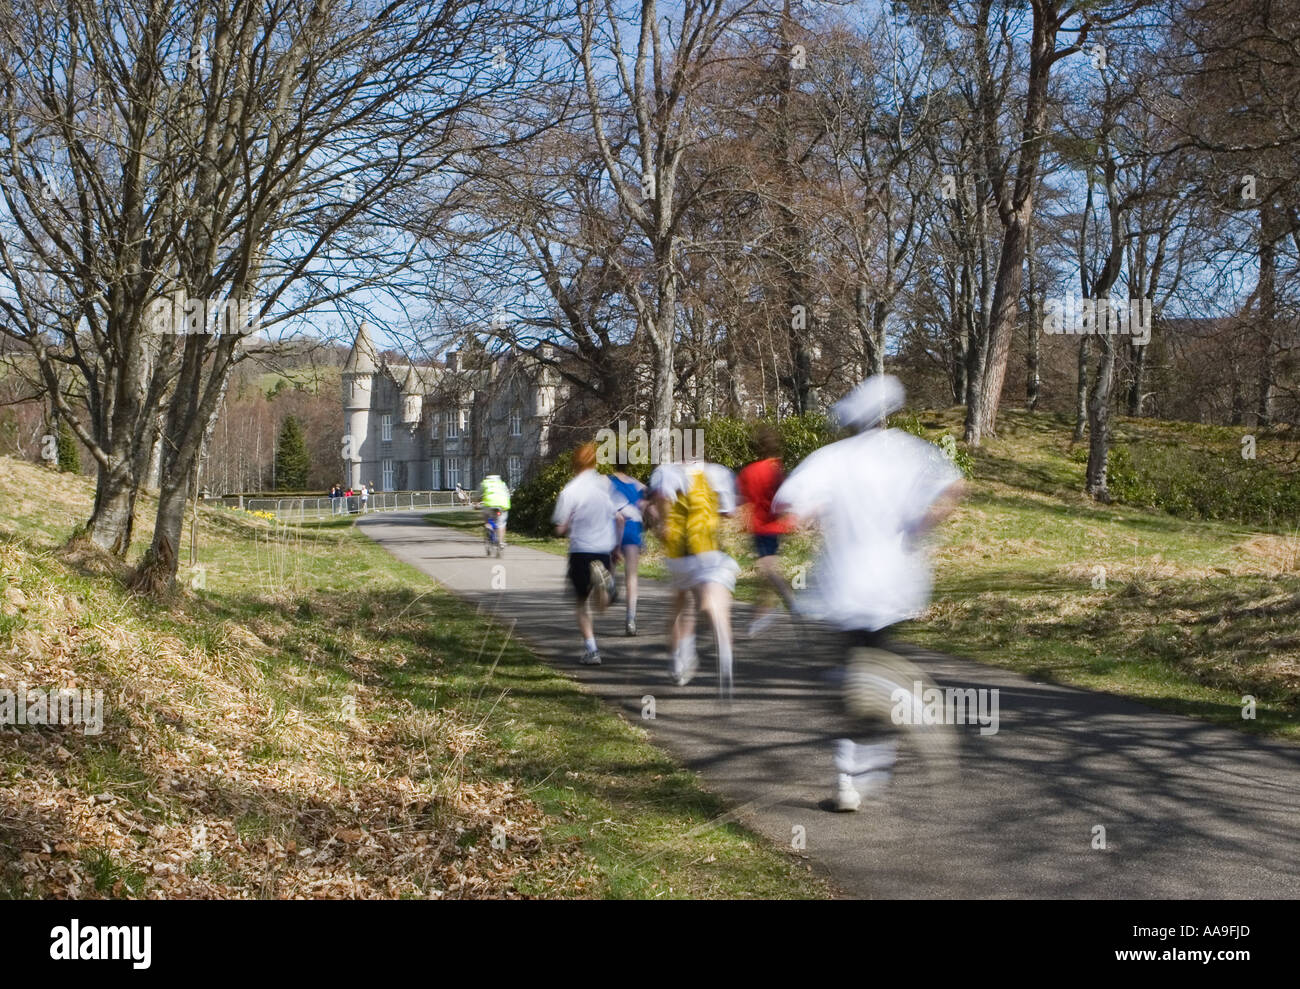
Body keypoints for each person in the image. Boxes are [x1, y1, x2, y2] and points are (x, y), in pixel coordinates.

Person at [772, 374, 964, 812]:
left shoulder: (832, 458)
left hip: (843, 588)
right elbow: (954, 488)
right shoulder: (910, 452)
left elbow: (790, 505)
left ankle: (848, 775)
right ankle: (869, 766)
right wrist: (919, 527)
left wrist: (812, 517)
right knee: (875, 677)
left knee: (853, 679)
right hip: (893, 586)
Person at [648, 449, 738, 696]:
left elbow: (660, 500)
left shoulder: (666, 471)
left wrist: (663, 523)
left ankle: (679, 659)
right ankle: (720, 643)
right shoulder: (717, 473)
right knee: (712, 598)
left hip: (678, 552)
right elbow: (728, 512)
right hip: (708, 549)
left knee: (680, 604)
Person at [552, 442, 618, 666]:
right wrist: (616, 546)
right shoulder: (604, 485)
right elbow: (619, 518)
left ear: (574, 465)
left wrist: (564, 526)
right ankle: (605, 585)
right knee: (602, 605)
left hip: (581, 549)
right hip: (604, 547)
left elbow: (560, 527)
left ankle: (592, 650)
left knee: (581, 603)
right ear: (594, 462)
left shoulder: (570, 490)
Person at [736, 423, 797, 637]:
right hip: (776, 525)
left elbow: (743, 501)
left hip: (759, 526)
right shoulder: (776, 470)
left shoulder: (748, 472)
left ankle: (788, 600)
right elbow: (786, 498)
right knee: (766, 573)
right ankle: (759, 616)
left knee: (768, 569)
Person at [608, 469, 647, 636]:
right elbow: (647, 497)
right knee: (631, 577)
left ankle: (610, 587)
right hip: (632, 530)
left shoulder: (608, 481)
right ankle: (630, 619)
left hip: (612, 528)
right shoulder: (634, 483)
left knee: (610, 566)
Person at [479, 473, 512, 548]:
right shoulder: (502, 484)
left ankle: (488, 526)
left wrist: (476, 502)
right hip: (502, 506)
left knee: (487, 519)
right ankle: (501, 542)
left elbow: (478, 495)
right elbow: (508, 495)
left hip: (488, 506)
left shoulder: (485, 483)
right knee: (501, 524)